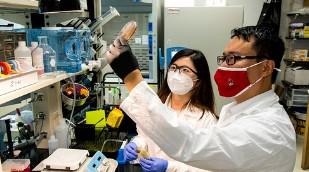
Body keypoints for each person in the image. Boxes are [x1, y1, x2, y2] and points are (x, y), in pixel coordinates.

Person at [106, 25, 296, 171]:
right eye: (223, 59)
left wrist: (132, 78)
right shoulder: (238, 111)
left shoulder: (268, 129)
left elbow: (192, 145)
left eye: (233, 59)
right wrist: (138, 144)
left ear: (265, 68)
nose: (223, 68)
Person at [124, 48, 217, 172]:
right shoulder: (156, 106)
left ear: (198, 81)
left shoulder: (206, 119)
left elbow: (208, 168)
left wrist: (169, 167)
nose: (176, 74)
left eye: (185, 70)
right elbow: (145, 136)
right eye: (173, 68)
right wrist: (136, 145)